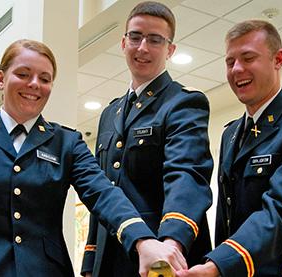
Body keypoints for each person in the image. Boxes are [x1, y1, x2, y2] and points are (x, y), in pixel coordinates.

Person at [0, 39, 188, 277]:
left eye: (45, 78)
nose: (34, 84)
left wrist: (142, 239)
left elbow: (102, 192)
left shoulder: (66, 142)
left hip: (45, 270)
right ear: (1, 79)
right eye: (23, 74)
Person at [177, 19, 282, 277]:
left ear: (278, 59)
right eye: (230, 62)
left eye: (248, 58)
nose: (237, 69)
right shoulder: (231, 133)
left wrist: (219, 264)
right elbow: (226, 218)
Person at [81, 1, 213, 277]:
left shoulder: (184, 103)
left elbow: (186, 175)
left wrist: (170, 245)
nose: (143, 48)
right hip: (111, 257)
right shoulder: (110, 113)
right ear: (123, 42)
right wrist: (90, 261)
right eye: (136, 36)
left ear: (170, 50)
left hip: (160, 256)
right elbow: (102, 188)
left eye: (155, 40)